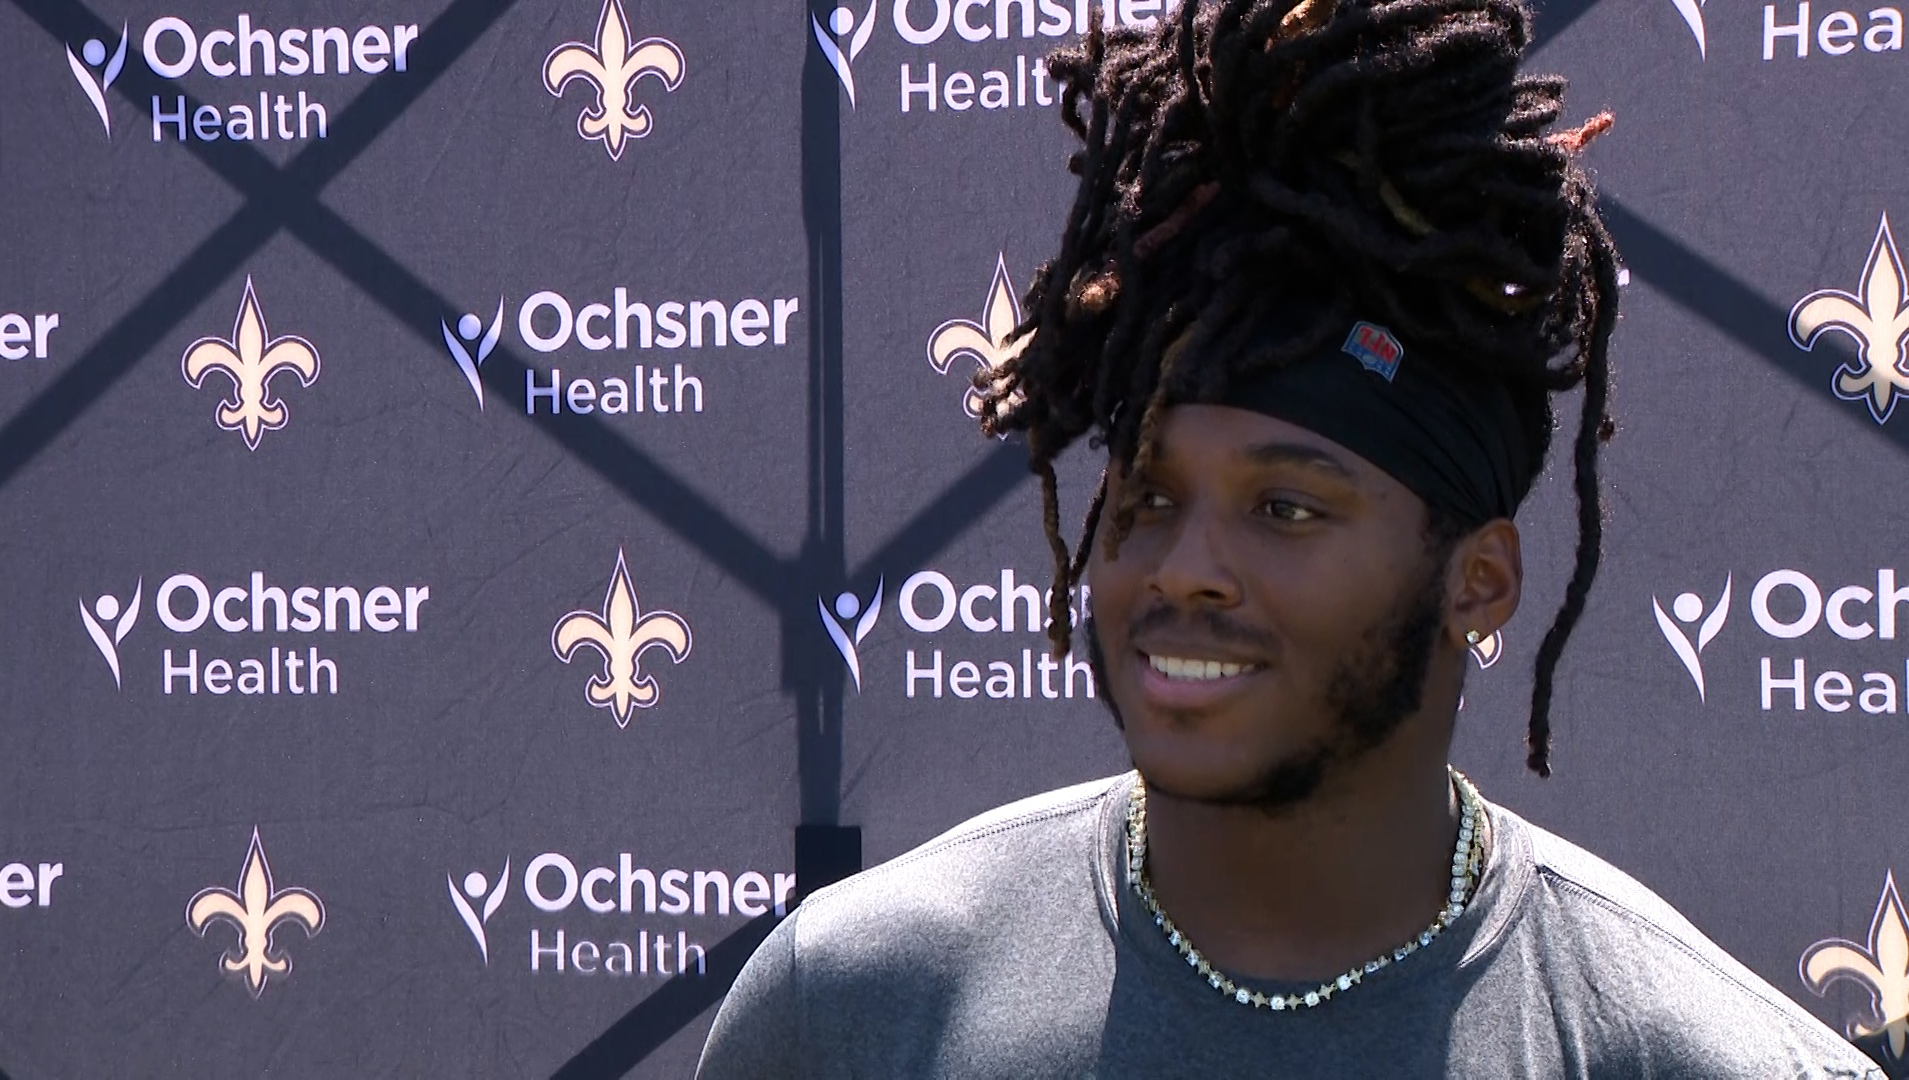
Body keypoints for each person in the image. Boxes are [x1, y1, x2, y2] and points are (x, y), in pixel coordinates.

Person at [696, 0, 1886, 1074]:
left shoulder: (1687, 1058)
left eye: (1287, 508)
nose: (1185, 568)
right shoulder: (855, 1010)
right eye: (1148, 496)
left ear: (1479, 582)